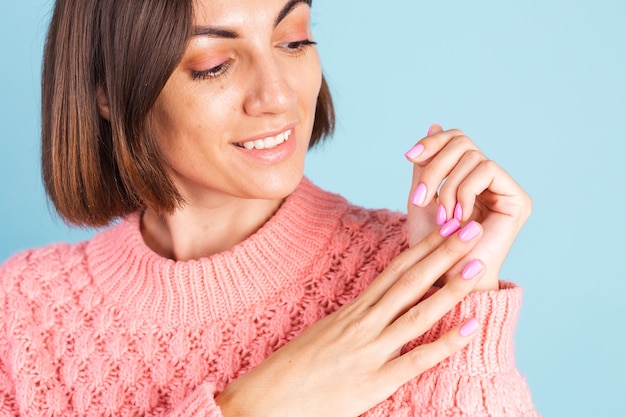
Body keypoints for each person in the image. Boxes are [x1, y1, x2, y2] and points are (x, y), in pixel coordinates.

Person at [0, 0, 540, 415]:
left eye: (294, 41)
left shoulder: (401, 270)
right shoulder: (23, 310)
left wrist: (464, 297)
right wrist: (249, 407)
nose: (278, 95)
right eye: (213, 64)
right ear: (107, 94)